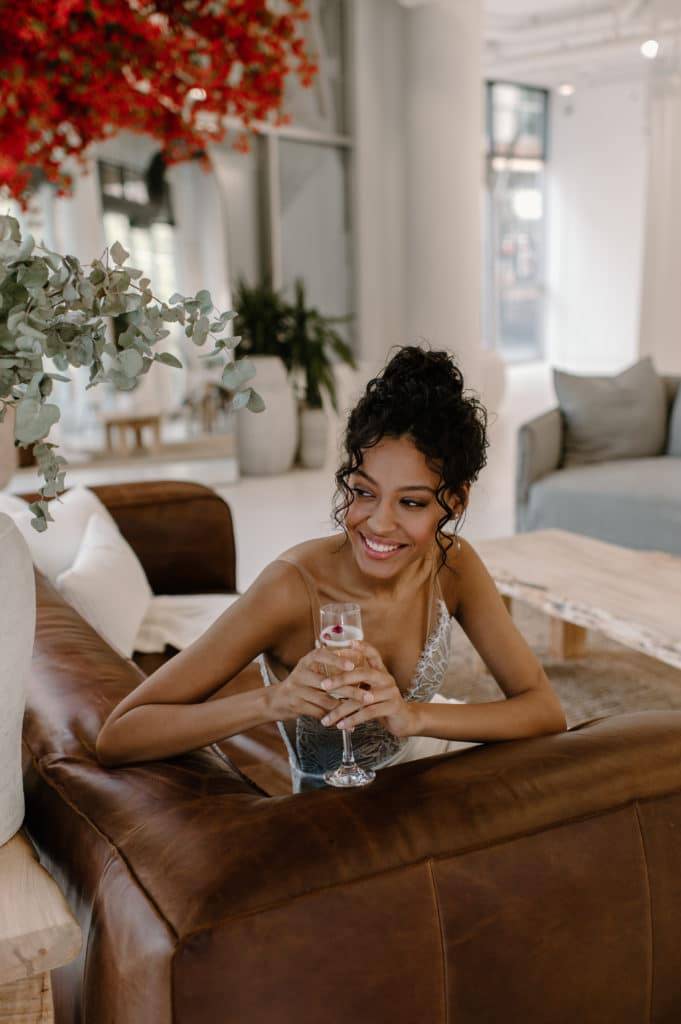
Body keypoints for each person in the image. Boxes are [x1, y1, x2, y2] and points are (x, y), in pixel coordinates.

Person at [96, 346, 567, 788]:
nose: (379, 523)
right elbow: (119, 736)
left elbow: (544, 710)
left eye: (411, 502)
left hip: (427, 768)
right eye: (363, 492)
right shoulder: (290, 587)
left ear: (455, 501)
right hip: (337, 813)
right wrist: (272, 701)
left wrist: (413, 715)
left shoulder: (452, 565)